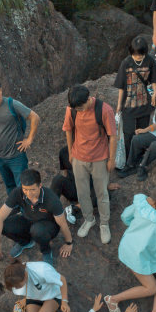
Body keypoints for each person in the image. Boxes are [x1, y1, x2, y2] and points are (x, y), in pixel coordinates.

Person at [63, 85, 117, 244]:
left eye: (81, 107)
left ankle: (104, 223)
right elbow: (68, 130)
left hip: (99, 158)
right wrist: (71, 153)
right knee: (82, 192)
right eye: (76, 108)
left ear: (88, 99)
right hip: (79, 157)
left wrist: (111, 159)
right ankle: (89, 219)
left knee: (102, 193)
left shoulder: (104, 110)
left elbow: (113, 136)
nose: (79, 110)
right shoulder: (71, 109)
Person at [0, 168, 73, 266]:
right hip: (29, 219)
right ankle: (25, 242)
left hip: (48, 225)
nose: (29, 193)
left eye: (33, 189)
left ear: (40, 186)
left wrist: (69, 243)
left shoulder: (51, 199)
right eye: (25, 189)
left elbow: (62, 224)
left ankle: (46, 251)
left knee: (37, 231)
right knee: (3, 225)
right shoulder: (18, 193)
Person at [0, 77, 40, 193]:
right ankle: (15, 209)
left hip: (16, 156)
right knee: (9, 187)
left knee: (22, 187)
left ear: (1, 90)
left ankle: (24, 211)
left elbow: (35, 117)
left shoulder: (12, 104)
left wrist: (29, 139)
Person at [114, 36, 156, 158]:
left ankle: (140, 156)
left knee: (143, 130)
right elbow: (121, 85)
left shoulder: (150, 61)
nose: (138, 57)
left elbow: (154, 79)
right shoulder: (126, 62)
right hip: (128, 104)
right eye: (135, 54)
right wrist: (119, 105)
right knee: (128, 132)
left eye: (140, 54)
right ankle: (129, 157)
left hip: (144, 102)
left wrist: (155, 93)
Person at [51, 146, 120, 221]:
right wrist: (64, 188)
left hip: (90, 191)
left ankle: (75, 208)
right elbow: (65, 172)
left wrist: (106, 185)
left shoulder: (95, 152)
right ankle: (50, 209)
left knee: (105, 194)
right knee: (57, 179)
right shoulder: (64, 151)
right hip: (74, 189)